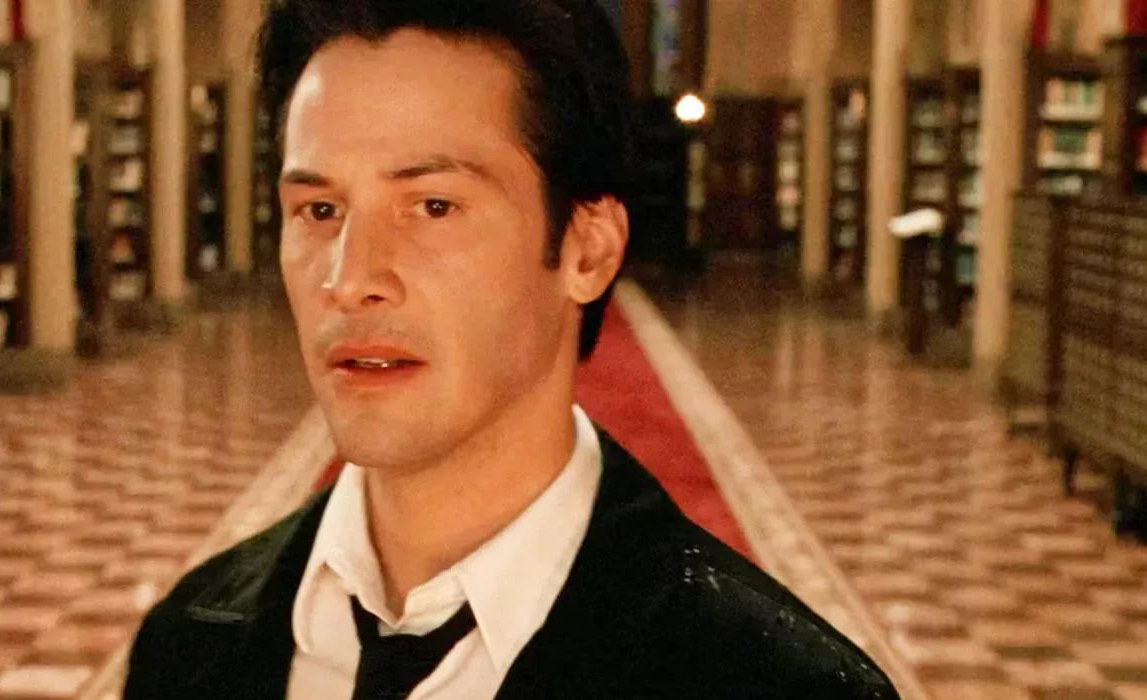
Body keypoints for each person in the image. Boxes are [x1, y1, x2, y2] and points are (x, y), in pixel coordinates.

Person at [125, 0, 900, 697]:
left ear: (587, 250)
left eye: (433, 206)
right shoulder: (185, 644)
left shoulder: (773, 685)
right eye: (320, 209)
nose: (350, 279)